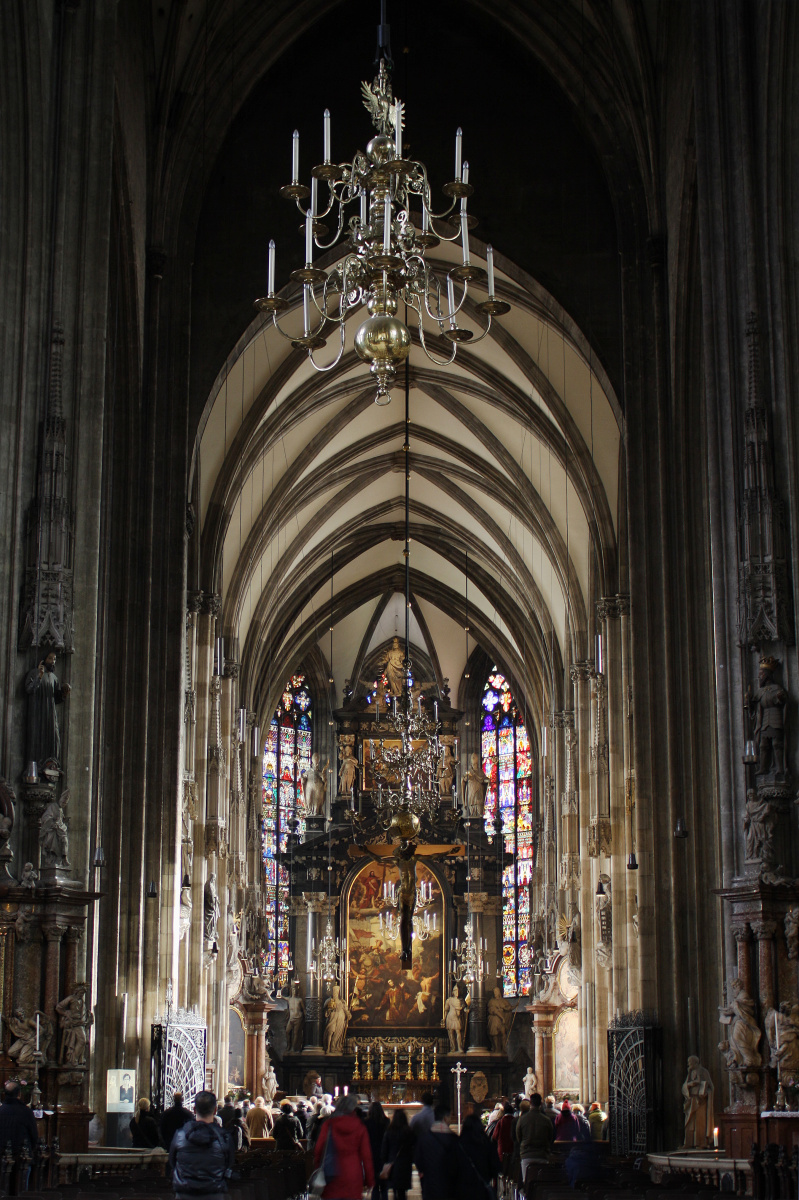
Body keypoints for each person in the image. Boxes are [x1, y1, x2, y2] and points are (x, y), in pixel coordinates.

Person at [170, 1090, 236, 1200]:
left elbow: (172, 1162)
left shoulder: (180, 1135)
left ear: (194, 1110)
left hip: (184, 1194)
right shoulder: (224, 1137)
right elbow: (229, 1164)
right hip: (214, 1194)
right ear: (215, 1110)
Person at [313, 1092, 374, 1200]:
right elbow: (366, 1156)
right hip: (353, 1174)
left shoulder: (329, 1124)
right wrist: (369, 1181)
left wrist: (318, 1168)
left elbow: (319, 1150)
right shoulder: (359, 1127)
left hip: (331, 1172)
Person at [414, 1102, 461, 1200]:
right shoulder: (454, 1139)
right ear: (445, 1118)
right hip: (448, 1186)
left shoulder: (424, 1138)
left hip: (429, 1184)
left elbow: (418, 1160)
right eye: (449, 1117)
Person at [460, 1103, 501, 1190]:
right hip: (482, 1190)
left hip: (463, 1190)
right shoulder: (487, 1145)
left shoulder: (459, 1146)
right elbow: (496, 1168)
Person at [516, 1093, 554, 1184]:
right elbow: (551, 1137)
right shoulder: (546, 1120)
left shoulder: (522, 1119)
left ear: (530, 1103)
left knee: (527, 1184)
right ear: (541, 1103)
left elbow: (518, 1137)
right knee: (542, 1184)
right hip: (542, 1155)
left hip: (527, 1155)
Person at [381, 1108, 414, 1200]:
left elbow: (384, 1149)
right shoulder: (409, 1132)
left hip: (393, 1163)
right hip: (405, 1163)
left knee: (395, 1188)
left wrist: (384, 1162)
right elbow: (413, 1147)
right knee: (402, 1191)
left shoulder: (389, 1132)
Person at [366, 1100, 389, 1200]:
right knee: (384, 1186)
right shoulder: (386, 1121)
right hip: (384, 1153)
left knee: (374, 1184)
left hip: (371, 1153)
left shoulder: (367, 1122)